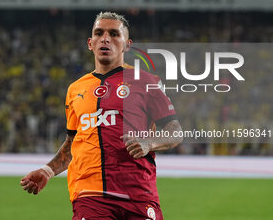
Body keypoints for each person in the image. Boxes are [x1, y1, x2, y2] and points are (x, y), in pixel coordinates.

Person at [20, 11, 182, 220]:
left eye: (114, 34)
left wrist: (149, 143)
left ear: (127, 44)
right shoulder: (75, 89)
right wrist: (47, 171)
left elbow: (175, 131)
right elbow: (73, 141)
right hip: (91, 195)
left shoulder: (146, 81)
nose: (105, 38)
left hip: (139, 194)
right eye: (99, 33)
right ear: (90, 43)